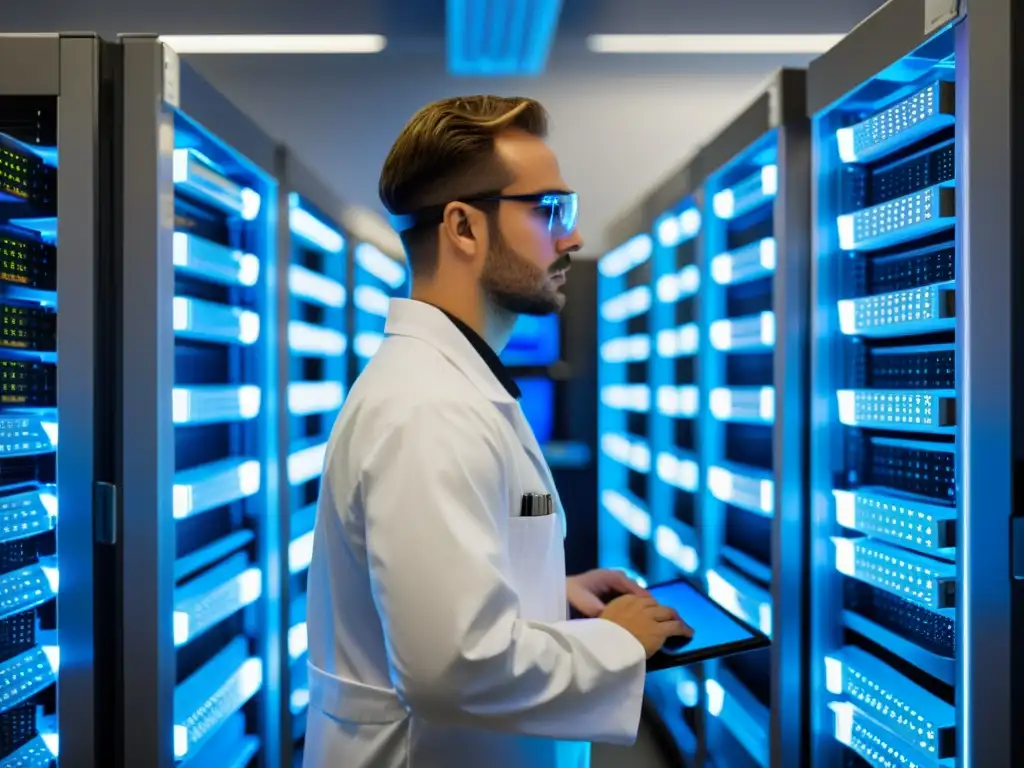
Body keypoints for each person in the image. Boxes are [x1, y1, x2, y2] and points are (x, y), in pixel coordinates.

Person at [303, 95, 692, 768]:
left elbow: (441, 603)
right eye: (550, 211)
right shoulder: (429, 409)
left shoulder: (451, 386)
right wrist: (619, 643)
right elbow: (453, 667)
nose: (571, 238)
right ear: (462, 228)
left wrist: (543, 594)